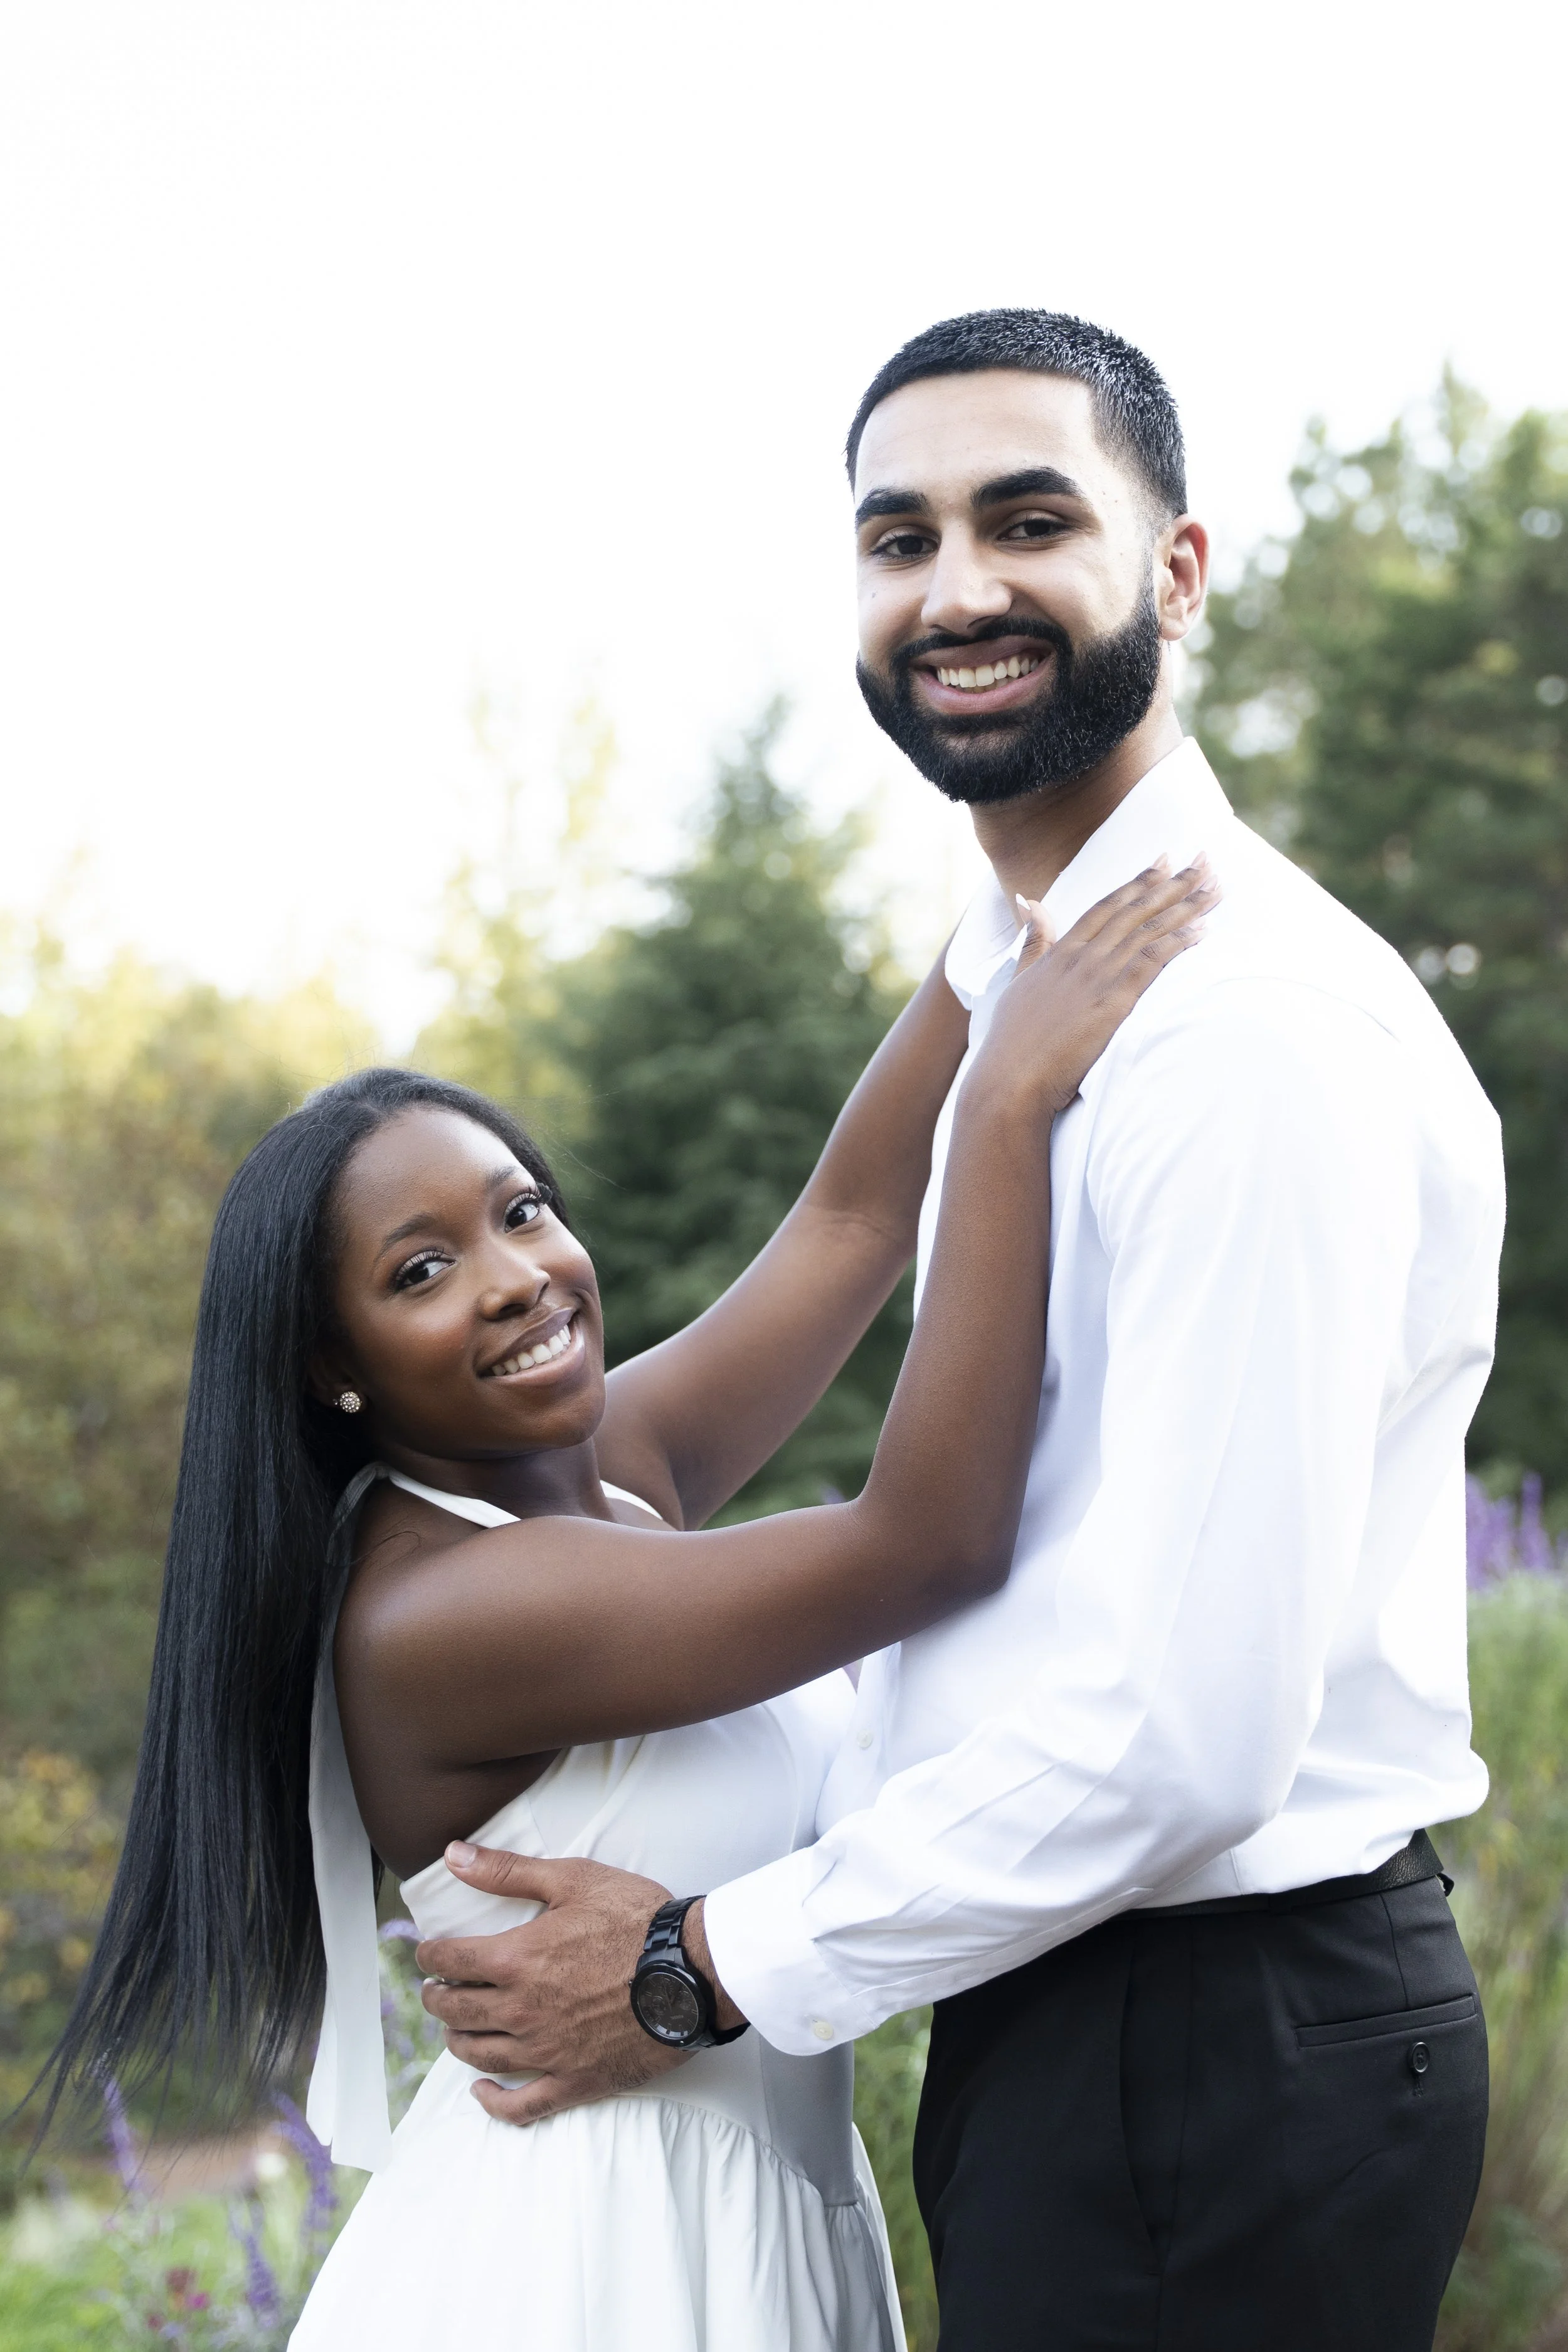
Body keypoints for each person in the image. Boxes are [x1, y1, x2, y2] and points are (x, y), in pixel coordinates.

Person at [418, 312, 1505, 2352]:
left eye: (1028, 521)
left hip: (1210, 2047)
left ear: (1175, 572)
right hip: (1107, 2031)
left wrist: (694, 1965)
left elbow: (1190, 1734)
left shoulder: (1236, 1040)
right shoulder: (1034, 992)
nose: (957, 587)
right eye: (897, 538)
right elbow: (845, 1226)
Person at [41, 850, 1212, 2352]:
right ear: (329, 1368)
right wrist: (1005, 1100)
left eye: (520, 1210)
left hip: (739, 2207)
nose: (517, 1276)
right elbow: (925, 1541)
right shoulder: (450, 1606)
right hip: (581, 2258)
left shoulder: (599, 1476)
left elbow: (849, 1225)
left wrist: (1004, 913)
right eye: (420, 1270)